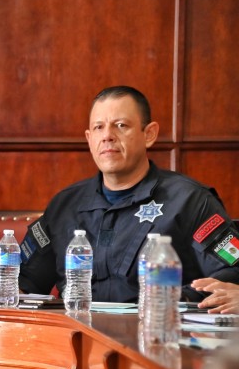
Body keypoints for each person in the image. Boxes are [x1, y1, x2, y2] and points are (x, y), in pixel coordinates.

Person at [19, 85, 239, 303]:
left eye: (121, 125)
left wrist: (181, 298)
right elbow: (22, 281)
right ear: (89, 138)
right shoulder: (64, 205)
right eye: (98, 127)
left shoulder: (190, 200)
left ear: (149, 134)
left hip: (155, 323)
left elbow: (233, 271)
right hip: (75, 324)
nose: (107, 136)